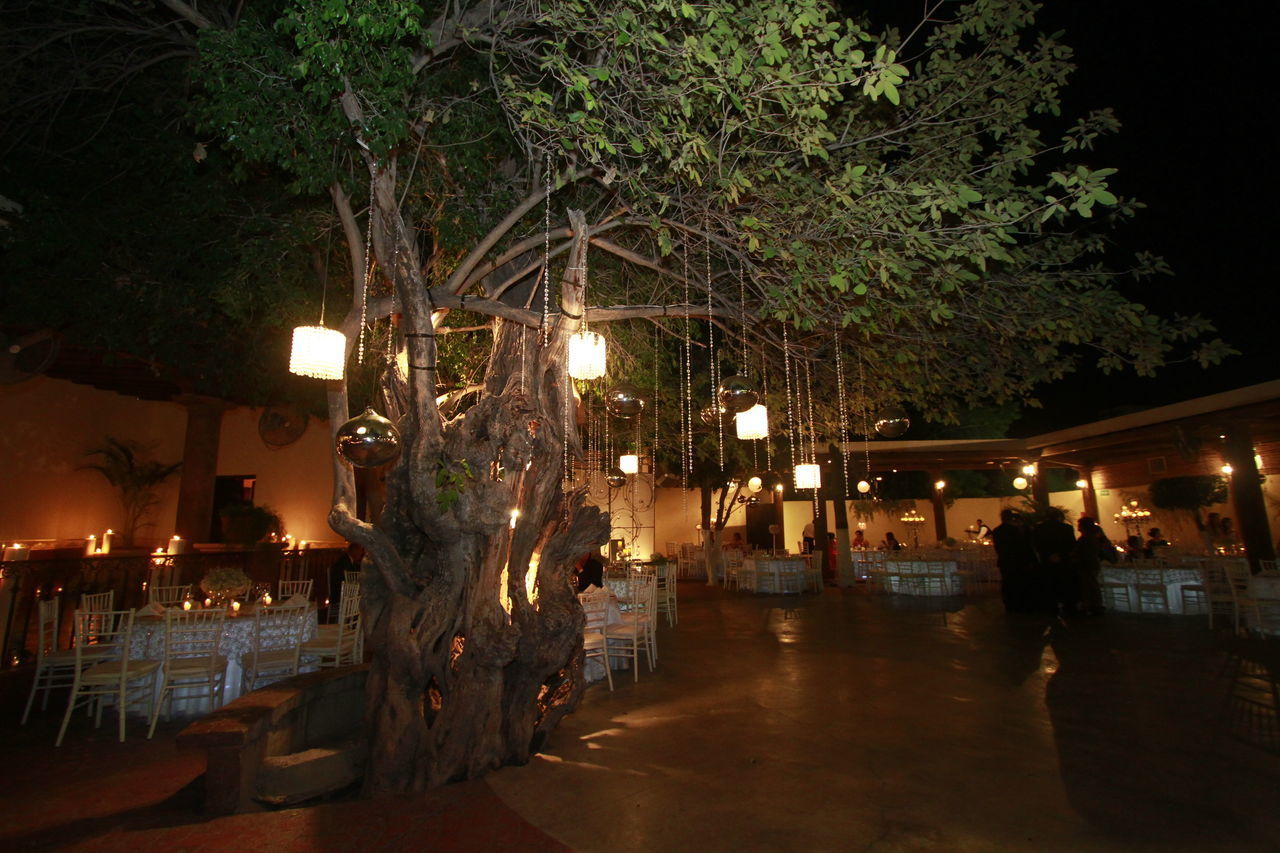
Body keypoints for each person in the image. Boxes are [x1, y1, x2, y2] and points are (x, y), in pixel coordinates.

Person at [991, 509, 1038, 612]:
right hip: (1017, 560)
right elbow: (1022, 547)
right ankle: (1018, 603)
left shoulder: (996, 531)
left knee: (1007, 581)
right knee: (1017, 581)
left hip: (1004, 560)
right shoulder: (1015, 530)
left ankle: (1008, 603)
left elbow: (998, 547)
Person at [1032, 508, 1076, 615]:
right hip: (1063, 560)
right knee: (1065, 583)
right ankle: (1068, 606)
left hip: (1047, 559)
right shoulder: (1066, 528)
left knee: (1050, 583)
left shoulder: (1039, 528)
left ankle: (1052, 606)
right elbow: (1071, 545)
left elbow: (1036, 545)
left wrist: (1048, 555)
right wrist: (1061, 555)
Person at [1074, 516, 1117, 615]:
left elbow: (1083, 552)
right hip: (1091, 564)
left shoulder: (1086, 538)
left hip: (1086, 564)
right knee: (1092, 585)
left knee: (1089, 586)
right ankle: (1094, 605)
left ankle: (1091, 605)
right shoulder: (1092, 537)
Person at [328, 541, 364, 618]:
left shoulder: (349, 561)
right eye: (360, 550)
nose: (361, 553)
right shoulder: (344, 562)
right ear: (355, 551)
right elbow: (347, 580)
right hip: (339, 596)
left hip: (344, 594)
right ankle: (353, 623)